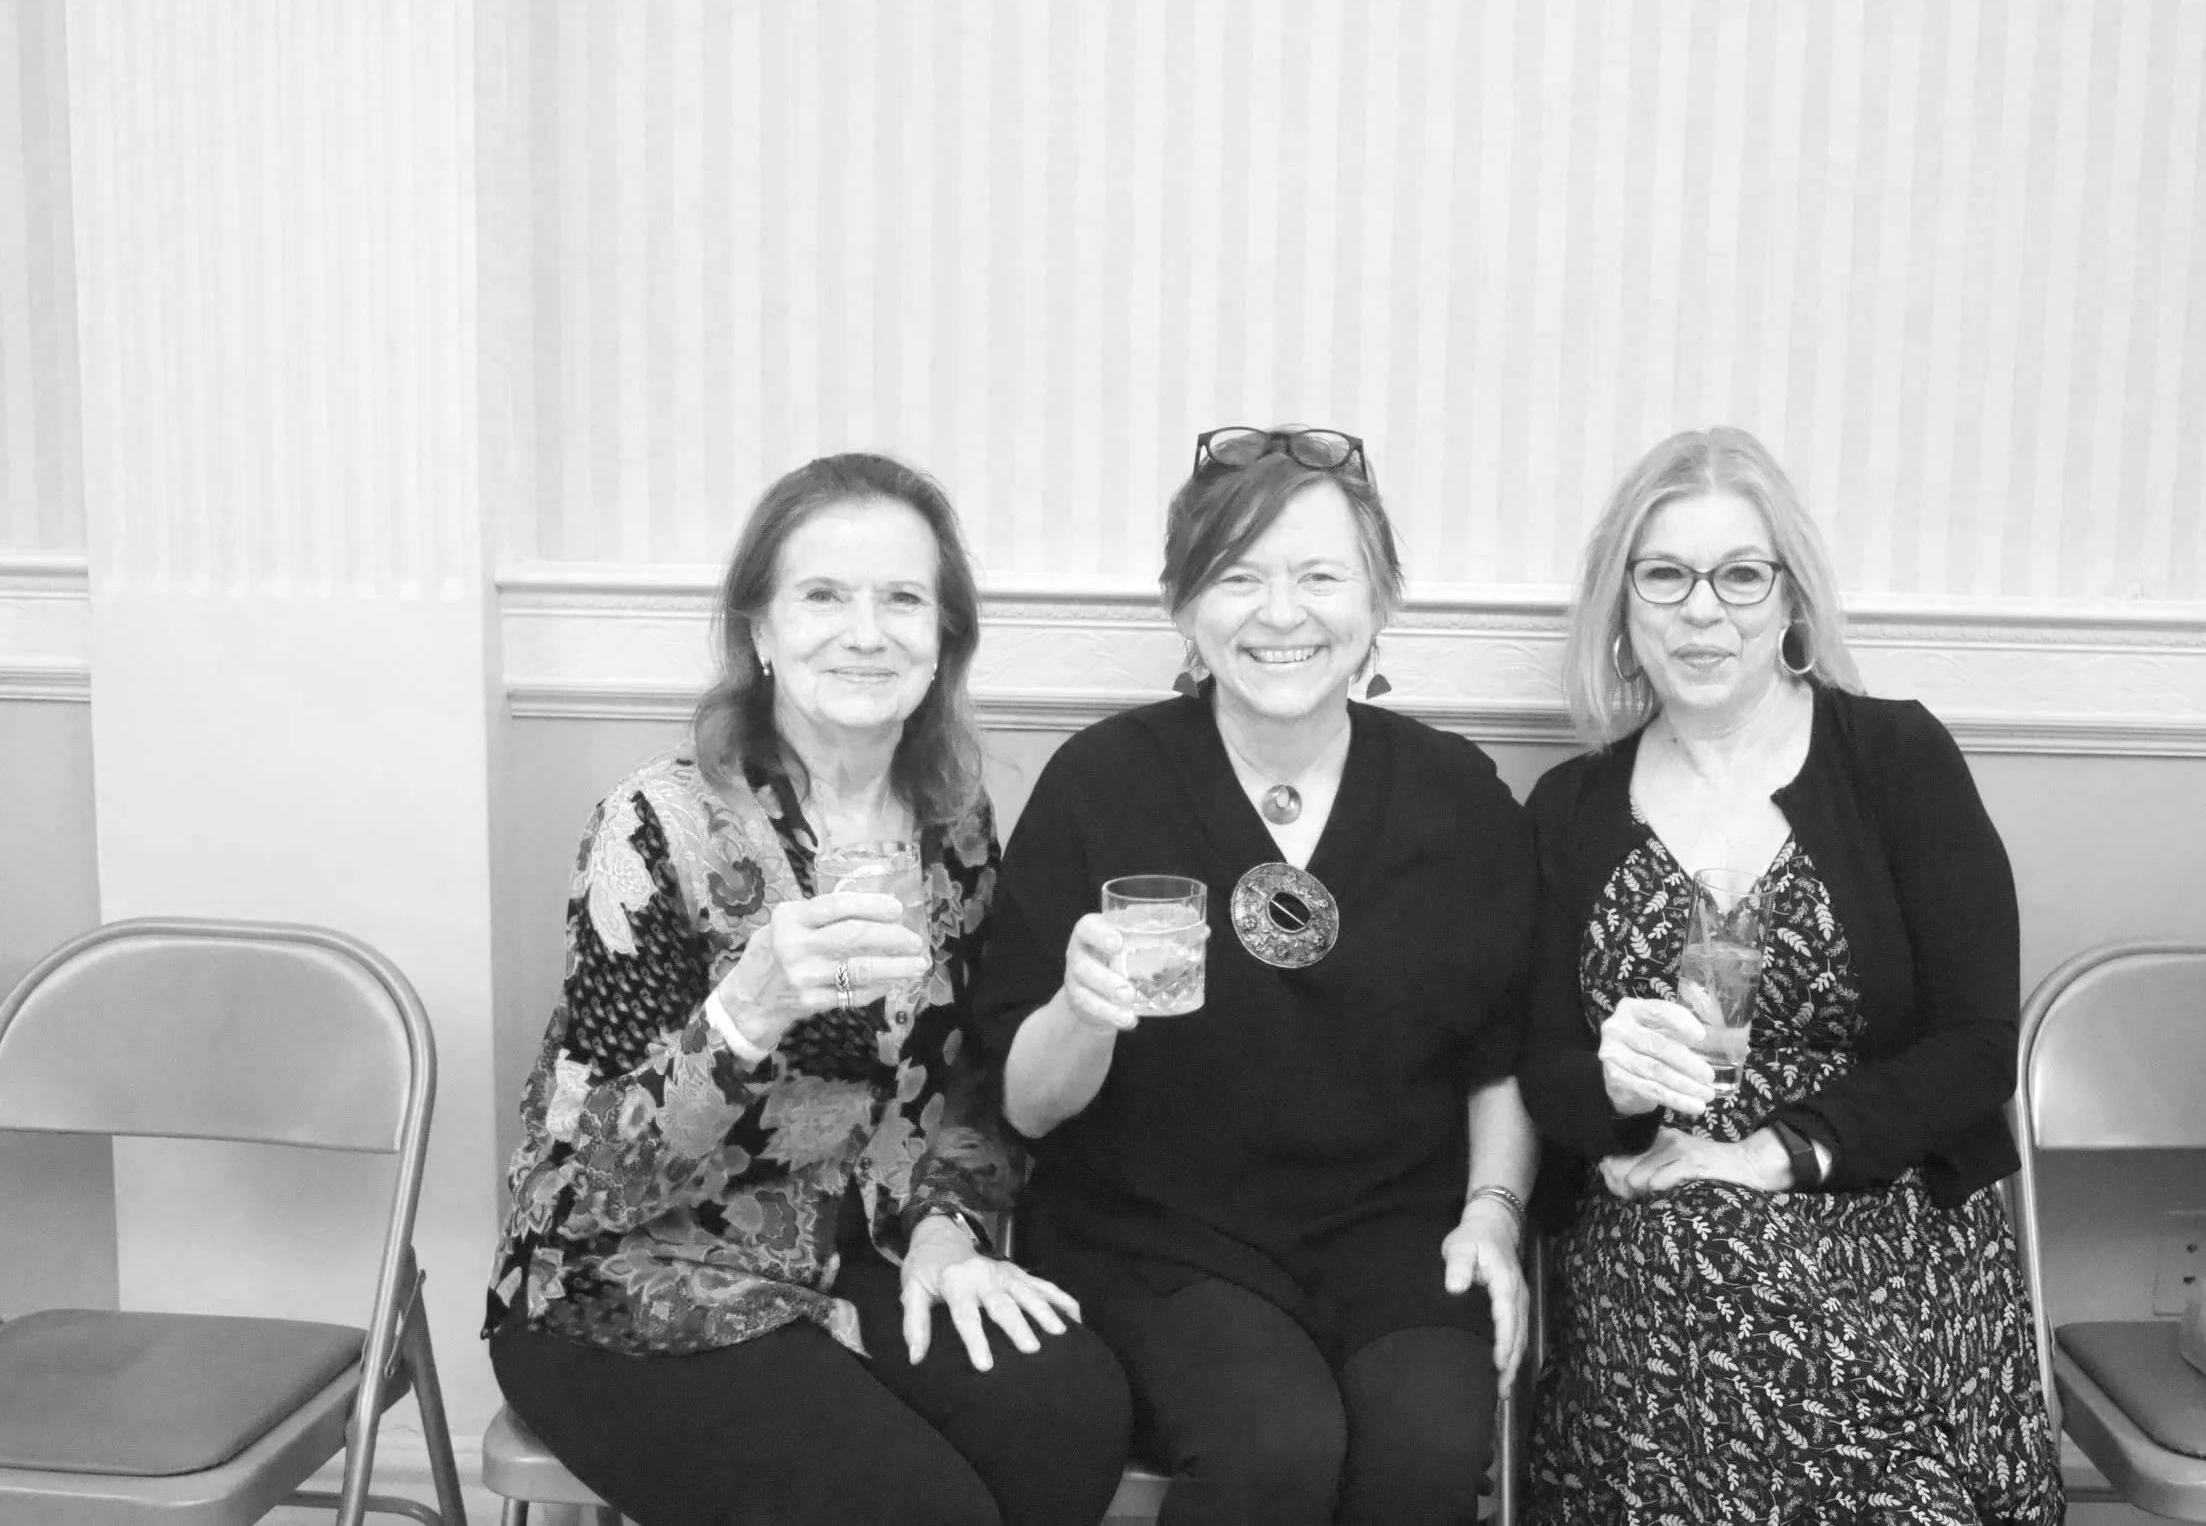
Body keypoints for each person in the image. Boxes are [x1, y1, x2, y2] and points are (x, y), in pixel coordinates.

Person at [483, 454, 1132, 1526]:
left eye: (903, 599)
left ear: (944, 640)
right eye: (824, 595)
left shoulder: (952, 823)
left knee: (1067, 1407)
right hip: (627, 1281)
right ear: (759, 633)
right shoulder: (657, 828)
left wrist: (943, 1230)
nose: (865, 631)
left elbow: (964, 1088)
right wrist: (743, 1012)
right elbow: (583, 1173)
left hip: (843, 1255)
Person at [971, 427, 1538, 1526]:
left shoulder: (1457, 796)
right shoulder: (1102, 783)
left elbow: (1499, 1054)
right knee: (1274, 1445)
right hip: (1156, 1236)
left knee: (1427, 1443)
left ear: (1378, 603)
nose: (1282, 613)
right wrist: (1082, 1011)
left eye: (1320, 576)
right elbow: (1024, 1104)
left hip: (1397, 1234)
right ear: (1185, 608)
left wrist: (1494, 1213)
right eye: (1239, 576)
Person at [1517, 428, 2063, 1525]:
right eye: (1664, 574)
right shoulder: (1569, 813)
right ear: (1621, 604)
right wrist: (1614, 1090)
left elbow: (1974, 1044)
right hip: (1655, 1200)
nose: (1700, 610)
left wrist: (1776, 1153)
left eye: (1739, 574)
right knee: (1698, 1253)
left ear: (1789, 599)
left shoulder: (1895, 759)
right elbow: (1539, 1070)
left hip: (1881, 1194)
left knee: (1786, 1297)